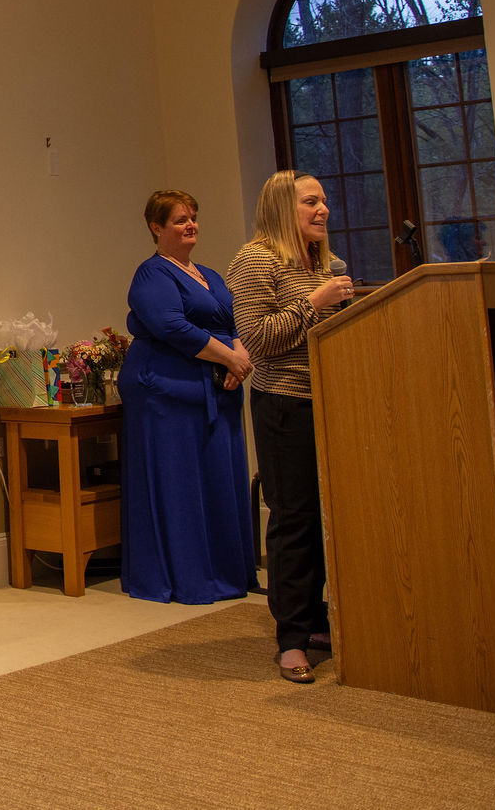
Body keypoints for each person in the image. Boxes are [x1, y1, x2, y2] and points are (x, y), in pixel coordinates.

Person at [229, 170, 355, 684]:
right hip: (285, 404)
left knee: (332, 518)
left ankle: (321, 618)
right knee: (296, 520)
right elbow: (258, 340)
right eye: (310, 201)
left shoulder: (327, 263)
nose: (323, 209)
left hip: (335, 402)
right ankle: (292, 640)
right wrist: (315, 303)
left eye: (324, 200)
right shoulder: (256, 260)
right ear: (283, 207)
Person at [120, 190, 256, 605]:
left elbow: (232, 322)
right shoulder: (152, 274)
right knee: (180, 482)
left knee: (218, 478)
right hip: (166, 392)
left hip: (216, 388)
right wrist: (229, 358)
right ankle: (185, 576)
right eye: (180, 220)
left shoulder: (209, 274)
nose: (191, 225)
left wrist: (238, 360)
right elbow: (172, 327)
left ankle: (224, 570)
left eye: (193, 217)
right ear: (156, 227)